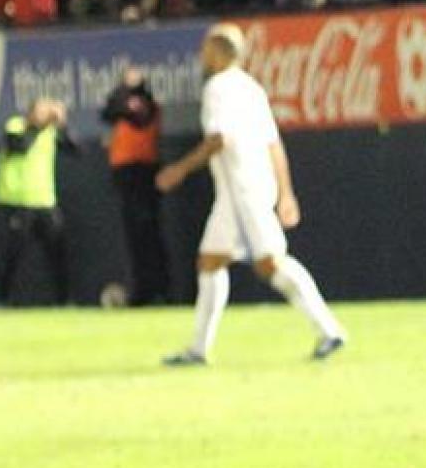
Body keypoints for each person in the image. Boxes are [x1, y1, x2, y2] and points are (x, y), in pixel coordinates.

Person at [155, 24, 346, 365]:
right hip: (249, 187)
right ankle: (198, 349)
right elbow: (274, 144)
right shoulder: (251, 87)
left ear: (218, 50)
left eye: (206, 47)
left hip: (241, 190)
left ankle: (329, 330)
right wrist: (285, 193)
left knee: (272, 263)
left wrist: (179, 169)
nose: (202, 54)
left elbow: (218, 139)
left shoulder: (217, 87)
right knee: (210, 261)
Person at [0, 99, 76, 307]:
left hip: (45, 202)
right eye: (41, 112)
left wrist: (63, 125)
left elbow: (75, 150)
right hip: (17, 201)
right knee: (12, 254)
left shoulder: (50, 132)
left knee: (58, 253)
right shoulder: (16, 126)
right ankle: (1, 300)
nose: (45, 116)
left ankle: (63, 300)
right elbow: (20, 146)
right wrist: (40, 126)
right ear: (30, 113)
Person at [101, 67, 171, 305]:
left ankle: (159, 290)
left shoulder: (147, 105)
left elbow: (135, 116)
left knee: (148, 235)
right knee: (135, 237)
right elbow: (108, 112)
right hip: (126, 175)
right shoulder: (123, 104)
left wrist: (130, 88)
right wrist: (123, 88)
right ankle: (144, 290)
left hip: (142, 173)